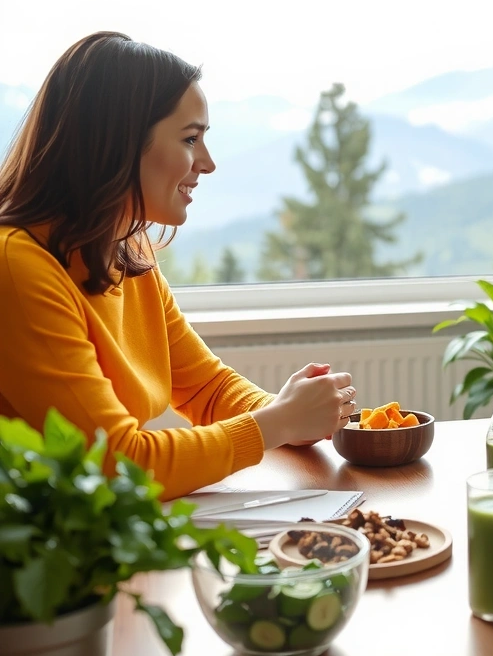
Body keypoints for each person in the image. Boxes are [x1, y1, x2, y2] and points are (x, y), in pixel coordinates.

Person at [0, 32, 355, 500]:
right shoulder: (17, 266)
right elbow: (115, 463)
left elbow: (204, 388)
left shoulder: (130, 250)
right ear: (119, 142)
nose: (206, 163)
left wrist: (287, 413)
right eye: (190, 139)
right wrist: (278, 421)